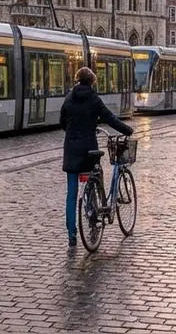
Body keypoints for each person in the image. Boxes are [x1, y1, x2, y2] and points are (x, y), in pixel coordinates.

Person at [60, 67, 133, 248]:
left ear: (77, 79)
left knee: (71, 194)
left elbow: (62, 122)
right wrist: (127, 130)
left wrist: (73, 132)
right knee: (95, 176)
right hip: (88, 150)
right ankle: (94, 213)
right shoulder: (93, 99)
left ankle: (71, 233)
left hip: (71, 150)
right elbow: (109, 118)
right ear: (92, 81)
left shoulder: (69, 98)